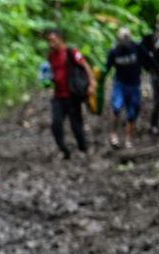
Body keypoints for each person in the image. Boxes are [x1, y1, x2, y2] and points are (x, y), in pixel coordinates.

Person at [46, 29, 96, 159]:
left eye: (53, 40)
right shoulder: (51, 56)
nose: (51, 44)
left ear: (60, 38)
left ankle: (83, 148)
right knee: (56, 124)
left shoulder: (71, 52)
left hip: (72, 95)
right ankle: (64, 150)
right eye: (49, 41)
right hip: (58, 96)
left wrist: (92, 83)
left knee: (76, 124)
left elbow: (85, 65)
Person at [104, 28, 144, 148]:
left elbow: (148, 60)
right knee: (116, 107)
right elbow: (107, 68)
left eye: (127, 37)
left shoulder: (137, 48)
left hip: (134, 84)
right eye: (123, 38)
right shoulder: (114, 52)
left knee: (133, 112)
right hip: (120, 84)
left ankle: (128, 139)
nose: (125, 40)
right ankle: (113, 135)